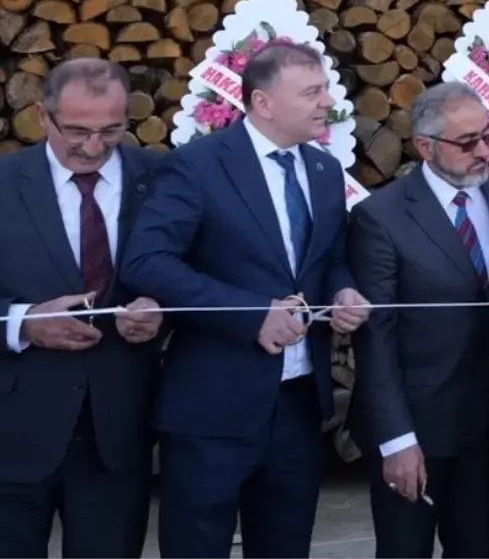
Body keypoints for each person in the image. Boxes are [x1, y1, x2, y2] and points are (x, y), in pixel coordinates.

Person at [120, 42, 371, 559]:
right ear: (263, 102)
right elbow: (147, 261)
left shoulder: (324, 171)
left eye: (325, 88)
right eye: (312, 92)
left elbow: (330, 258)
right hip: (211, 406)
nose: (328, 101)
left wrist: (343, 290)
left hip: (299, 406)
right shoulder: (197, 166)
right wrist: (251, 315)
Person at [0, 59, 165, 559]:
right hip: (13, 430)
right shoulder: (4, 183)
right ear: (41, 116)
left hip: (118, 432)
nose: (93, 147)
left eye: (110, 130)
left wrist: (162, 309)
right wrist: (22, 323)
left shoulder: (163, 178)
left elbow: (200, 271)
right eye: (76, 131)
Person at [346, 82, 489, 559]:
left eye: (487, 137)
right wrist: (397, 440)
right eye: (467, 142)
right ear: (425, 146)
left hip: (486, 425)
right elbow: (376, 338)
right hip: (417, 429)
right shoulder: (381, 216)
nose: (483, 152)